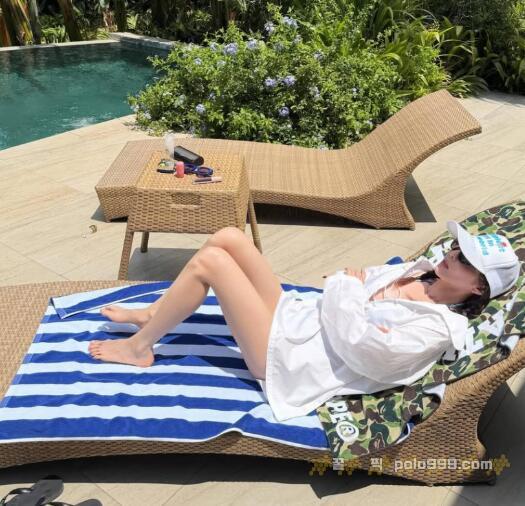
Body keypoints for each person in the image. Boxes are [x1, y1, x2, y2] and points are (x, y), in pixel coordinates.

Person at [88, 221, 521, 422]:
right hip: (303, 319)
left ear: (478, 289)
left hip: (293, 360)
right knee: (228, 237)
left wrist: (346, 291)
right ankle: (155, 314)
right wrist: (347, 293)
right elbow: (352, 285)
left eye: (465, 260)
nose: (451, 254)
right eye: (457, 247)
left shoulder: (436, 329)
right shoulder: (422, 272)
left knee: (212, 263)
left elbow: (359, 340)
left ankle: (139, 348)